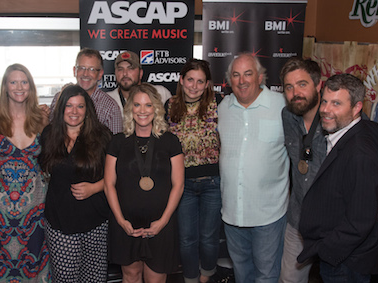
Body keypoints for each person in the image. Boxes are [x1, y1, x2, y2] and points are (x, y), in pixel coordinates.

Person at [279, 58, 378, 282]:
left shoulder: (354, 129)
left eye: (302, 84)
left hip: (336, 234)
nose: (296, 93)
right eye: (289, 87)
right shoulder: (288, 116)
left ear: (317, 85)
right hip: (299, 219)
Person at [217, 53, 288, 283]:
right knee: (242, 273)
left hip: (268, 214)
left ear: (260, 77)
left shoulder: (283, 106)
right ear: (229, 80)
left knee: (266, 276)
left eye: (248, 74)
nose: (242, 80)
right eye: (236, 75)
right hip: (232, 213)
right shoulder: (223, 108)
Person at [104, 83, 185, 283]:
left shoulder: (170, 141)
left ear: (156, 109)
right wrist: (121, 221)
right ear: (130, 109)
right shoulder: (117, 142)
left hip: (160, 225)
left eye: (148, 105)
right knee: (130, 277)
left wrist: (164, 221)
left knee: (155, 279)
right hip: (126, 225)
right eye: (137, 105)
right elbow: (109, 184)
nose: (142, 111)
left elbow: (178, 185)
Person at [0, 63, 50, 282]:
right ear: (5, 87)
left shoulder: (41, 119)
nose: (19, 87)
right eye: (13, 82)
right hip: (3, 207)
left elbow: (50, 160)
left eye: (24, 82)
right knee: (3, 262)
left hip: (36, 206)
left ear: (30, 87)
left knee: (35, 259)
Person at [39, 85, 112, 282]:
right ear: (61, 108)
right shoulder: (48, 135)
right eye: (69, 106)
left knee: (94, 278)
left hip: (96, 222)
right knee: (65, 278)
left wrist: (95, 187)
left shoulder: (102, 136)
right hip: (60, 223)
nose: (74, 111)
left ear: (87, 110)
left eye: (80, 106)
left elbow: (118, 175)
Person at [165, 58, 222, 283]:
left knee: (209, 238)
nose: (194, 86)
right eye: (190, 80)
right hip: (182, 184)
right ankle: (190, 278)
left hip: (213, 183)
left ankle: (206, 275)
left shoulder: (219, 102)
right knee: (187, 238)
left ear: (207, 84)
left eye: (200, 81)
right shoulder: (169, 105)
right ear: (181, 80)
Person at [50, 48, 123, 134]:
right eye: (82, 68)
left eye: (92, 69)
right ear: (75, 71)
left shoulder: (110, 108)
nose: (85, 74)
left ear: (100, 74)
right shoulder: (58, 99)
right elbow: (52, 134)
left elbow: (116, 145)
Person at [106, 51, 172, 114]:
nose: (125, 73)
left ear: (140, 73)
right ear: (115, 73)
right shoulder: (106, 100)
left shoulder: (160, 93)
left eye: (130, 68)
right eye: (120, 69)